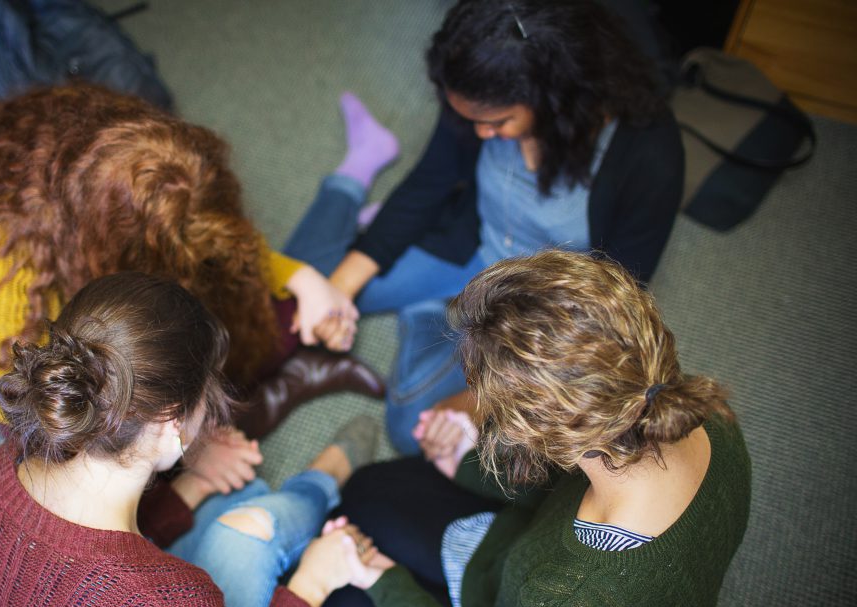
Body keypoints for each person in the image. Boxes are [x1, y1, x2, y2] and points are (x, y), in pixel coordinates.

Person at [320, 250, 751, 607]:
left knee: (336, 605)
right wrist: (464, 465)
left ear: (540, 436)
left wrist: (387, 585)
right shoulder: (704, 414)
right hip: (523, 562)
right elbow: (567, 490)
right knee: (364, 490)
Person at [283, 0, 685, 453]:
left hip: (531, 303)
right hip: (465, 245)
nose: (477, 134)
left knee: (410, 430)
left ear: (554, 98)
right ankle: (355, 173)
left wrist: (478, 400)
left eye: (495, 123)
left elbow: (611, 303)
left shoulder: (650, 155)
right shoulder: (478, 85)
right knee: (301, 285)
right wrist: (338, 288)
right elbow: (429, 182)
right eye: (468, 119)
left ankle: (425, 314)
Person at [0, 83, 398, 438]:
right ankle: (350, 206)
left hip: (128, 304)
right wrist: (185, 442)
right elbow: (28, 408)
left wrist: (302, 277)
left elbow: (216, 242)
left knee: (266, 310)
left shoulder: (110, 131)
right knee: (140, 492)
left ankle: (350, 193)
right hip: (66, 385)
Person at [0, 271, 382, 607]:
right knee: (253, 528)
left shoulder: (1, 468)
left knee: (240, 511)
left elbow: (79, 561)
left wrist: (189, 488)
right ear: (172, 422)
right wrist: (312, 584)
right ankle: (322, 480)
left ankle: (299, 488)